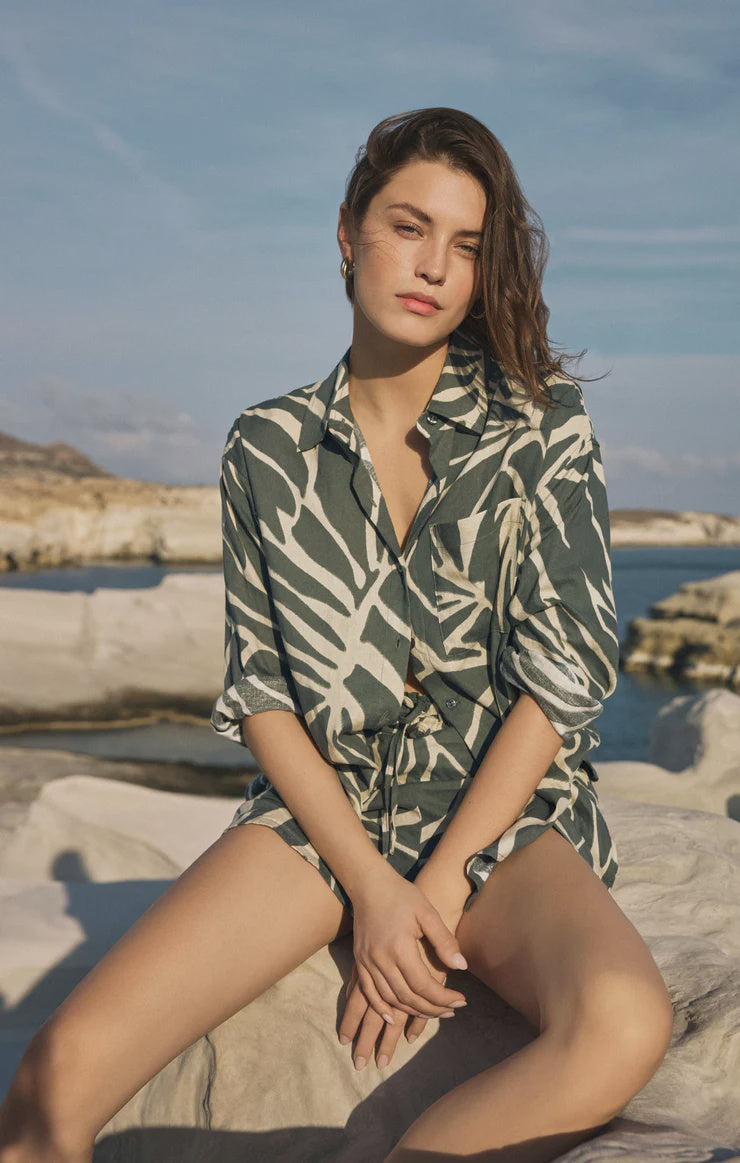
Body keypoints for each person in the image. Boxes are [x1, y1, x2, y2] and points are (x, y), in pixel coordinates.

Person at [0, 106, 673, 1163]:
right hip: (325, 820)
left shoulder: (541, 426)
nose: (433, 267)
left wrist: (435, 886)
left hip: (497, 822)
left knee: (623, 1018)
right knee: (49, 1081)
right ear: (348, 229)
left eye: (465, 245)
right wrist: (369, 888)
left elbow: (564, 671)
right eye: (408, 227)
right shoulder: (264, 446)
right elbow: (261, 692)